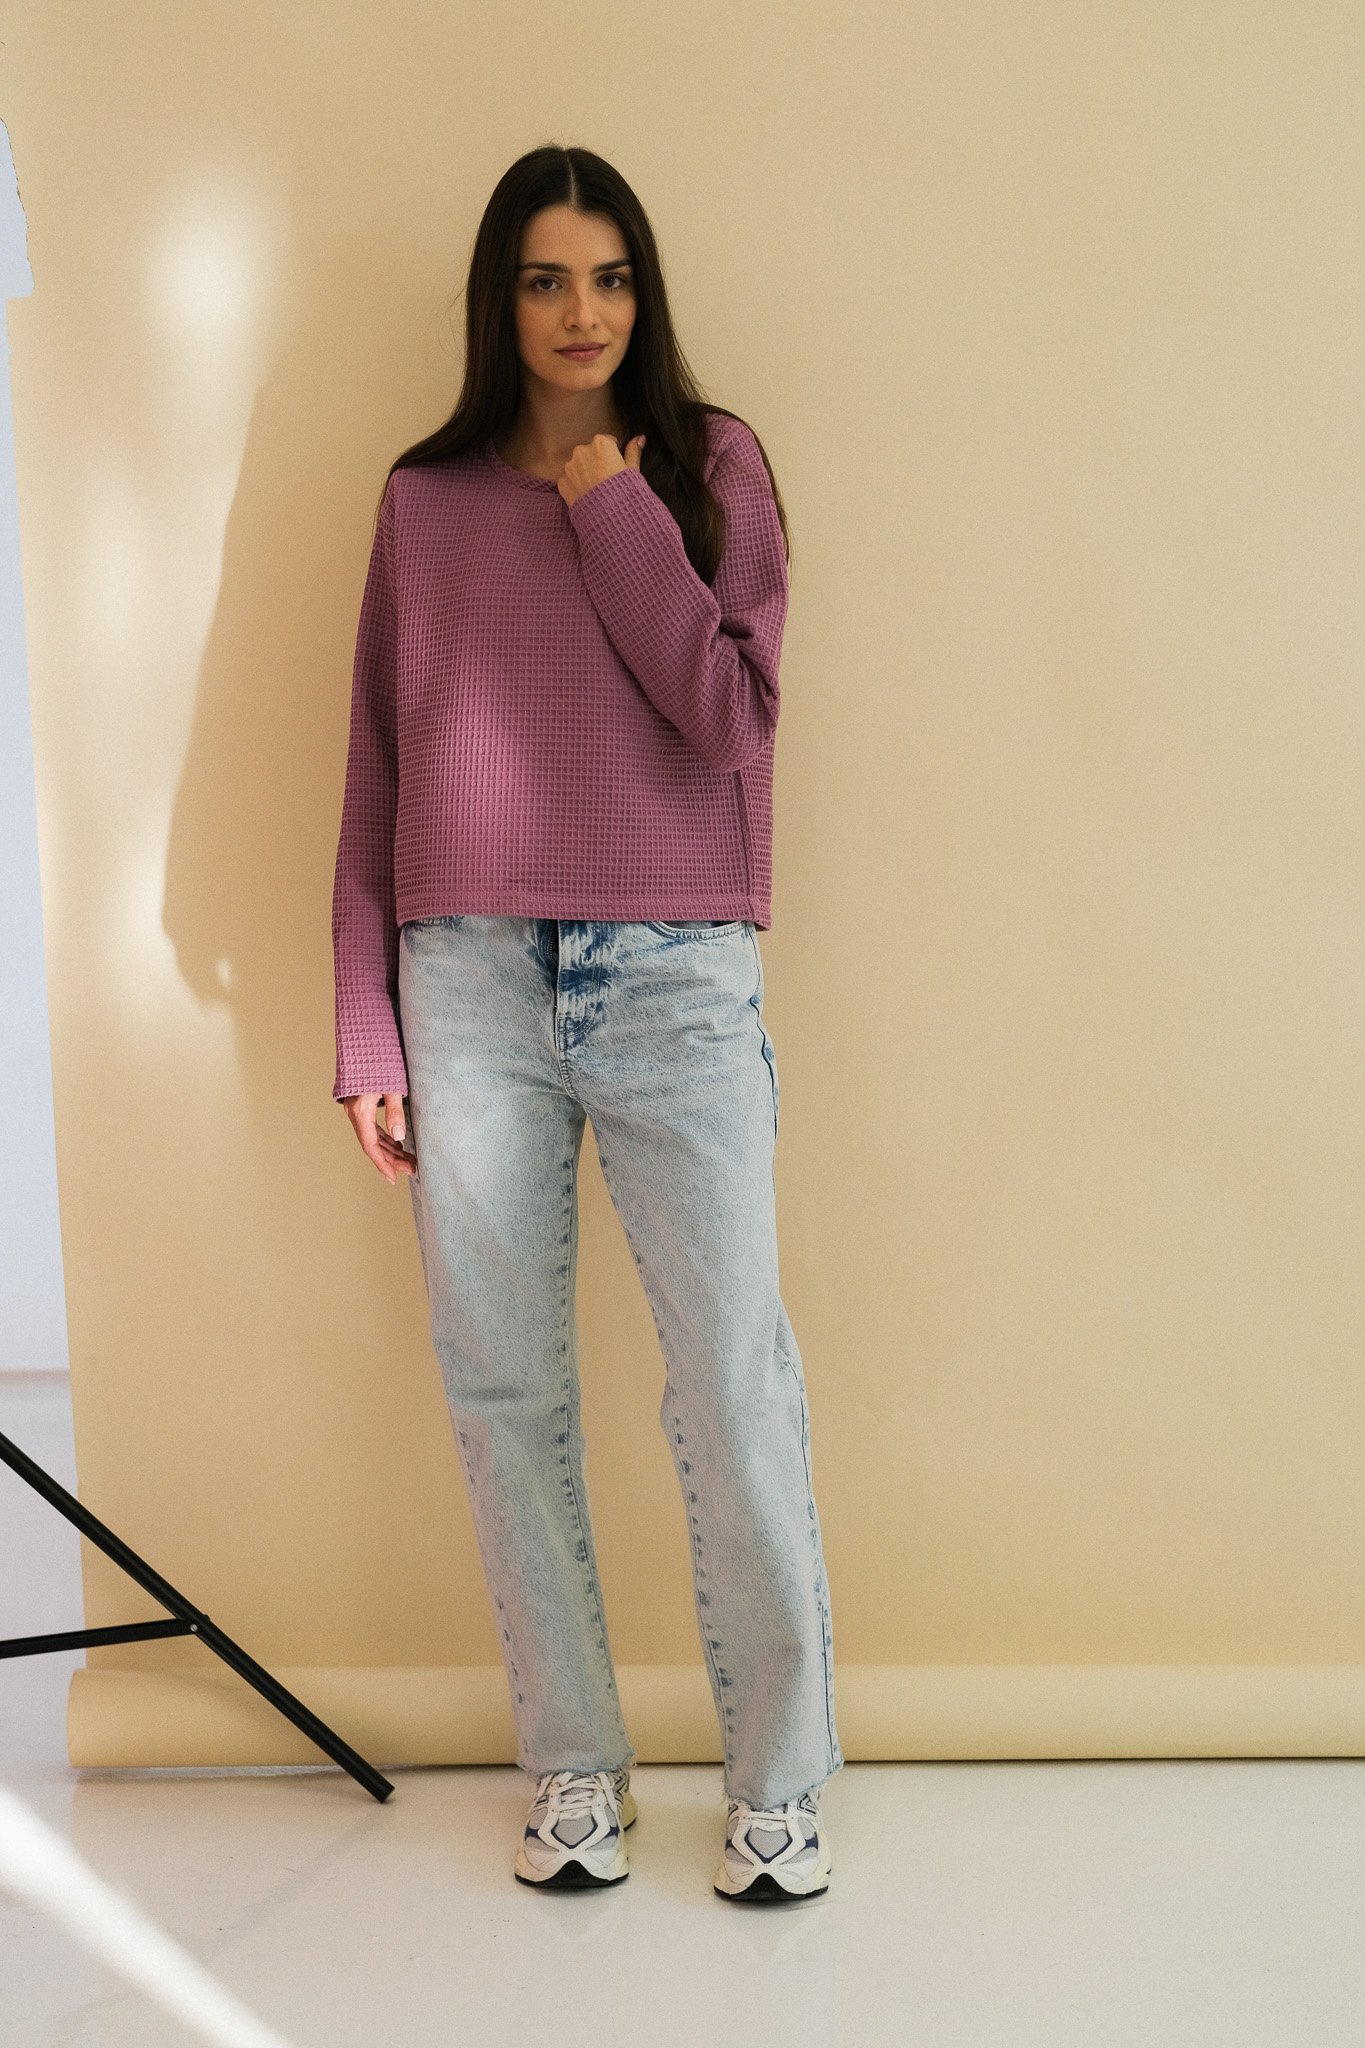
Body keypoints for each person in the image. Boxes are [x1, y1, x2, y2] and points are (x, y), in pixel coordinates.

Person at [331, 144, 841, 1900]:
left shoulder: (711, 467)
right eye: (545, 278)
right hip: (464, 974)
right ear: (503, 296)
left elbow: (728, 721)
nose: (579, 312)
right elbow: (376, 772)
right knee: (503, 1387)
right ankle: (573, 1770)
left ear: (643, 291)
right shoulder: (421, 502)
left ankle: (778, 1780)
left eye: (608, 277)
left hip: (674, 967)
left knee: (731, 1378)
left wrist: (611, 508)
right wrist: (365, 1026)